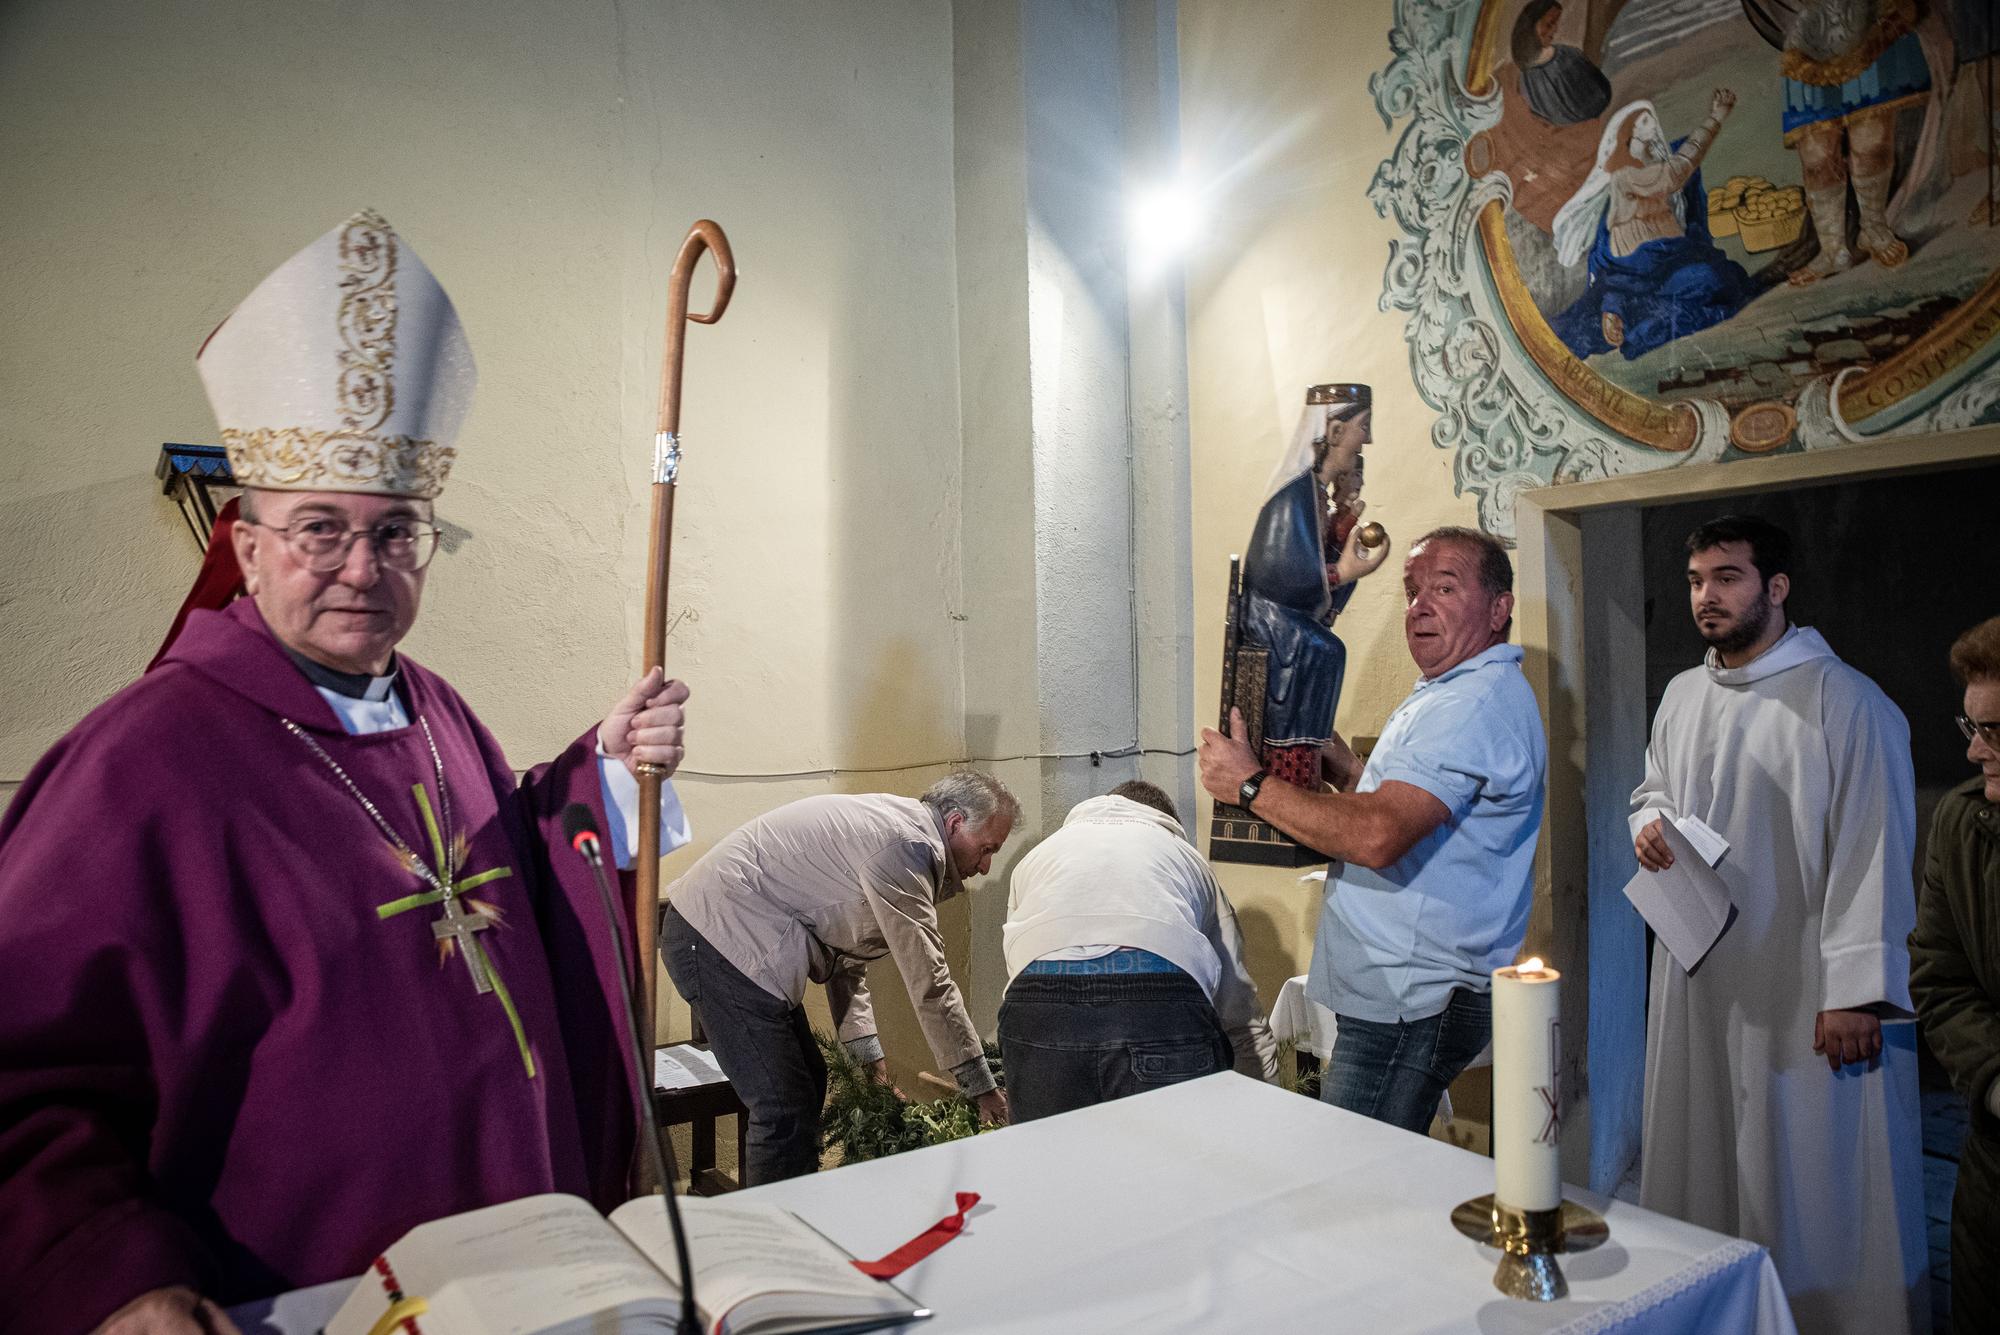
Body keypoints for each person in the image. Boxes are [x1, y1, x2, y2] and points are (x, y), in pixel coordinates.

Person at [0, 211, 693, 1335]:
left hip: (519, 1279)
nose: (360, 569)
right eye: (320, 530)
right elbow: (23, 1072)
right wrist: (108, 1274)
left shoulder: (434, 712)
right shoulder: (137, 763)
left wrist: (600, 774)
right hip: (298, 1290)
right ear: (248, 542)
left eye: (395, 533)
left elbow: (503, 868)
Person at [1631, 514, 1926, 1335]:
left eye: (1727, 577)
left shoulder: (1847, 700)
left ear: (1777, 586)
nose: (1706, 597)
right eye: (1695, 581)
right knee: (1707, 1163)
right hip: (1701, 976)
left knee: (1813, 1185)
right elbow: (1651, 792)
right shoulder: (1684, 694)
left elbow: (1874, 845)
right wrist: (1648, 826)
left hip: (1803, 990)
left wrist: (1857, 992)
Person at [1199, 526, 1546, 1134]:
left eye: (1445, 587)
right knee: (1381, 1169)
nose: (1420, 607)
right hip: (1406, 993)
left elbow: (1379, 836)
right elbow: (1421, 817)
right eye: (1412, 592)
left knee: (1358, 1175)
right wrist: (1348, 770)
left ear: (1499, 609)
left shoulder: (1471, 704)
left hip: (1412, 999)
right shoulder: (1457, 692)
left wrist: (1249, 785)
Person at [661, 773, 1017, 1184]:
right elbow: (931, 984)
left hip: (727, 940)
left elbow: (846, 953)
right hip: (716, 940)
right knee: (782, 1107)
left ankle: (800, 1211)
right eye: (987, 848)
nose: (986, 866)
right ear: (955, 823)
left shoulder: (897, 833)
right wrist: (981, 1089)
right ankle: (773, 1233)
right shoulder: (906, 847)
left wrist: (868, 1058)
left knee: (808, 1080)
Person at [997, 780, 1278, 1122]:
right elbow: (1240, 1015)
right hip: (1158, 1004)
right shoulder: (1183, 855)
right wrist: (1266, 1123)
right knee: (1171, 1164)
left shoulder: (1037, 857)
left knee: (1053, 1164)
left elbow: (1019, 965)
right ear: (1168, 821)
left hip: (1037, 1009)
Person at [1910, 615, 2000, 1335]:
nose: (1975, 750)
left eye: (1994, 731)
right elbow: (1940, 977)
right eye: (1971, 726)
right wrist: (1996, 1079)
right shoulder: (1961, 825)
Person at [1236, 383, 1392, 789]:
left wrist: (1344, 535)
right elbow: (1281, 575)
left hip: (1288, 615)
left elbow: (1313, 560)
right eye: (1364, 426)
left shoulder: (1315, 495)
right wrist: (1343, 573)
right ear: (1336, 432)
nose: (1369, 439)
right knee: (1325, 650)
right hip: (1271, 617)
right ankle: (1290, 764)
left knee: (1326, 649)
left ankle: (1305, 761)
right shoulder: (1293, 496)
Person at [1550, 95, 1755, 359]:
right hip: (1643, 260)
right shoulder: (1627, 173)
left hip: (1665, 255)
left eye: (1651, 119)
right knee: (1710, 281)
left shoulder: (1648, 166)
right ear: (1629, 131)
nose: (1652, 125)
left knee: (1719, 279)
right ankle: (1624, 313)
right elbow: (1676, 172)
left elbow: (1672, 171)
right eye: (1644, 120)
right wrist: (1715, 119)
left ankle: (1622, 310)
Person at [1512, 0, 1611, 127]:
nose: (1555, 29)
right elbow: (1600, 94)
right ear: (1530, 26)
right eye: (1549, 24)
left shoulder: (1525, 76)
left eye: (1555, 23)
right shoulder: (1567, 56)